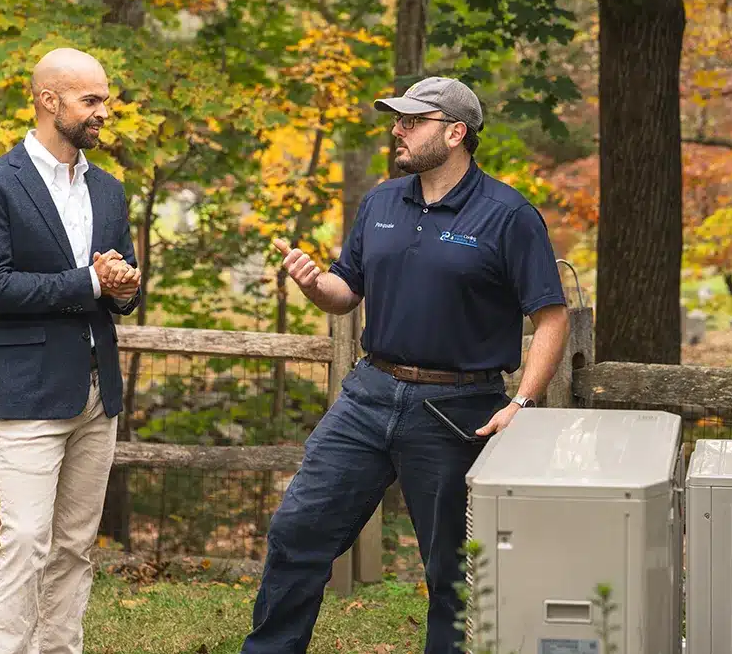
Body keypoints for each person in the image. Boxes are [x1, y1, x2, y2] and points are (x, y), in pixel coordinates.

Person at [241, 76, 570, 654]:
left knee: (452, 568)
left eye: (411, 121)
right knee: (298, 530)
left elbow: (551, 318)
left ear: (455, 132)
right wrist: (316, 284)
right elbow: (347, 290)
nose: (398, 129)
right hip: (368, 395)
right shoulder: (380, 202)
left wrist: (522, 401)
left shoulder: (509, 215)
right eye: (397, 119)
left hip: (457, 408)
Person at [0, 47, 141, 654]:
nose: (104, 112)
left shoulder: (110, 189)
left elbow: (120, 282)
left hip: (98, 393)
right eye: (91, 100)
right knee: (27, 541)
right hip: (29, 389)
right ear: (48, 99)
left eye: (105, 99)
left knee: (73, 545)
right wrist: (90, 282)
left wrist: (124, 285)